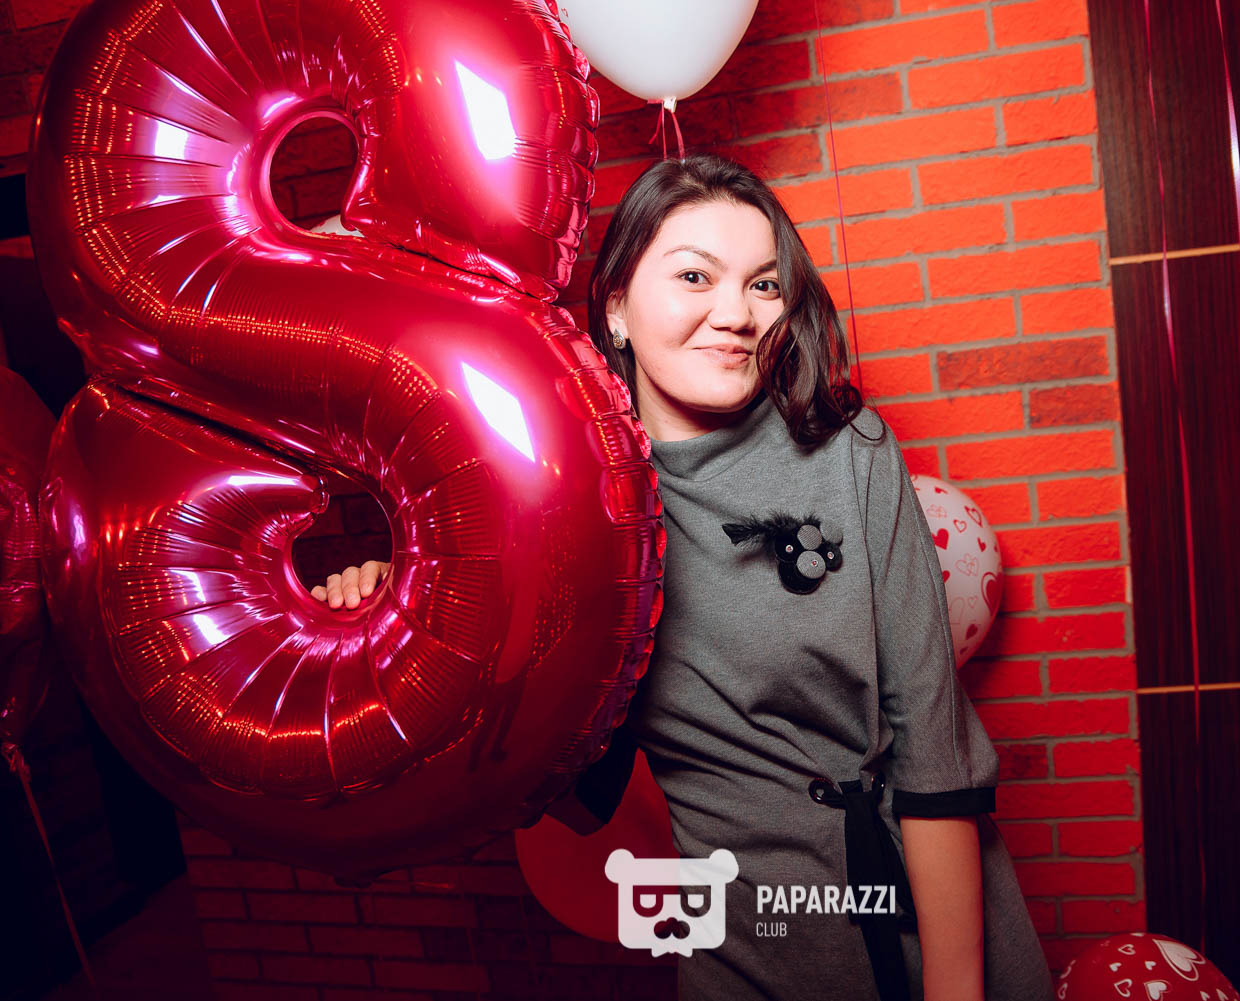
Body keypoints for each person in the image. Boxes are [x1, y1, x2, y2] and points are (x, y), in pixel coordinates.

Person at [312, 153, 1052, 1001]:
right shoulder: (574, 508)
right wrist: (400, 610)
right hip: (753, 942)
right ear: (616, 306)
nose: (735, 314)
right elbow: (523, 760)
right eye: (696, 276)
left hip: (934, 919)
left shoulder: (851, 451)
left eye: (764, 284)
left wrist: (955, 989)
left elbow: (932, 745)